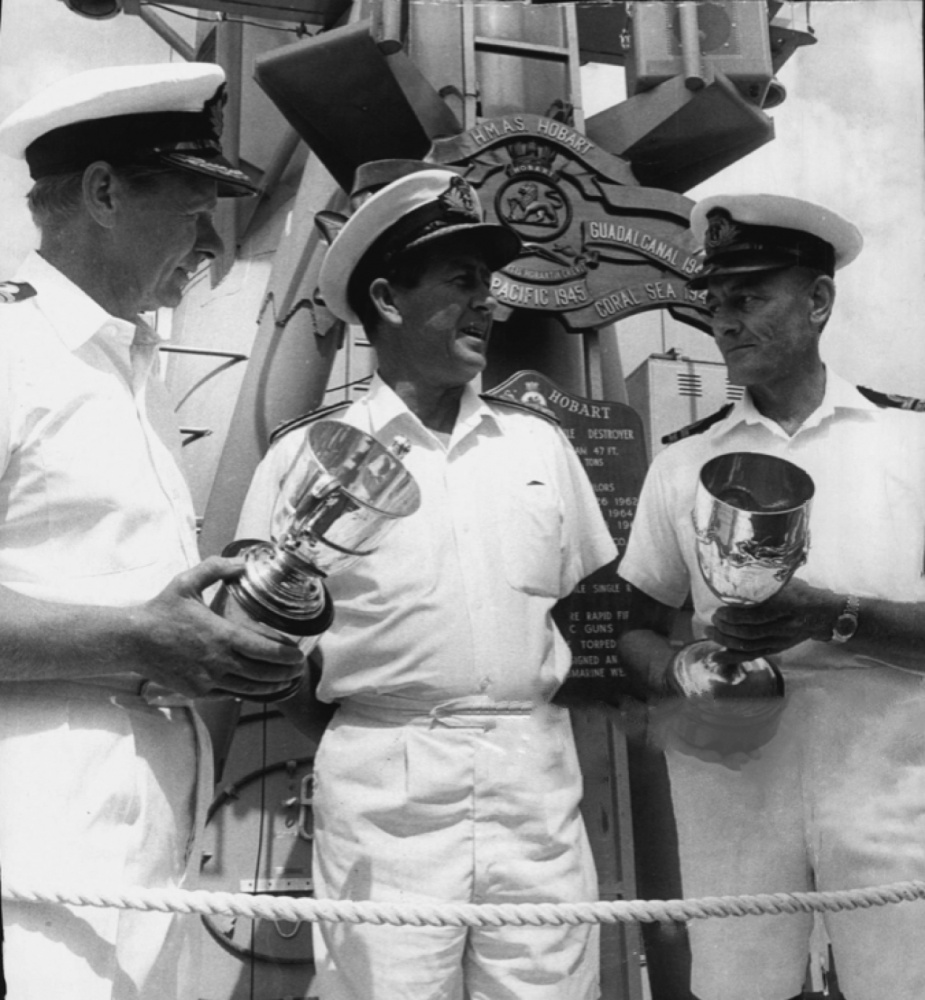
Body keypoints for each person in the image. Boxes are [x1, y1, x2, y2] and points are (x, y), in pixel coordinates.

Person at [236, 160, 617, 1000]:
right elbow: (270, 652)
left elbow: (577, 607)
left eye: (490, 281)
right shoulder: (303, 460)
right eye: (461, 281)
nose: (492, 301)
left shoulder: (539, 449)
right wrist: (384, 719)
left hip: (534, 786)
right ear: (387, 299)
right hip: (385, 791)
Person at [0, 63, 307, 999]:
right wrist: (138, 637)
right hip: (34, 846)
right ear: (101, 193)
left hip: (147, 836)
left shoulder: (133, 373)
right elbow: (127, 623)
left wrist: (213, 634)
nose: (208, 239)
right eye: (190, 204)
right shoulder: (14, 357)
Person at [616, 193, 925, 1000]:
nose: (723, 323)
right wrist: (684, 667)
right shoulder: (680, 464)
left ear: (818, 300)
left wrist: (832, 615)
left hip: (887, 781)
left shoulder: (911, 442)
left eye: (749, 297)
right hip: (732, 775)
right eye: (715, 303)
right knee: (737, 990)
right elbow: (633, 630)